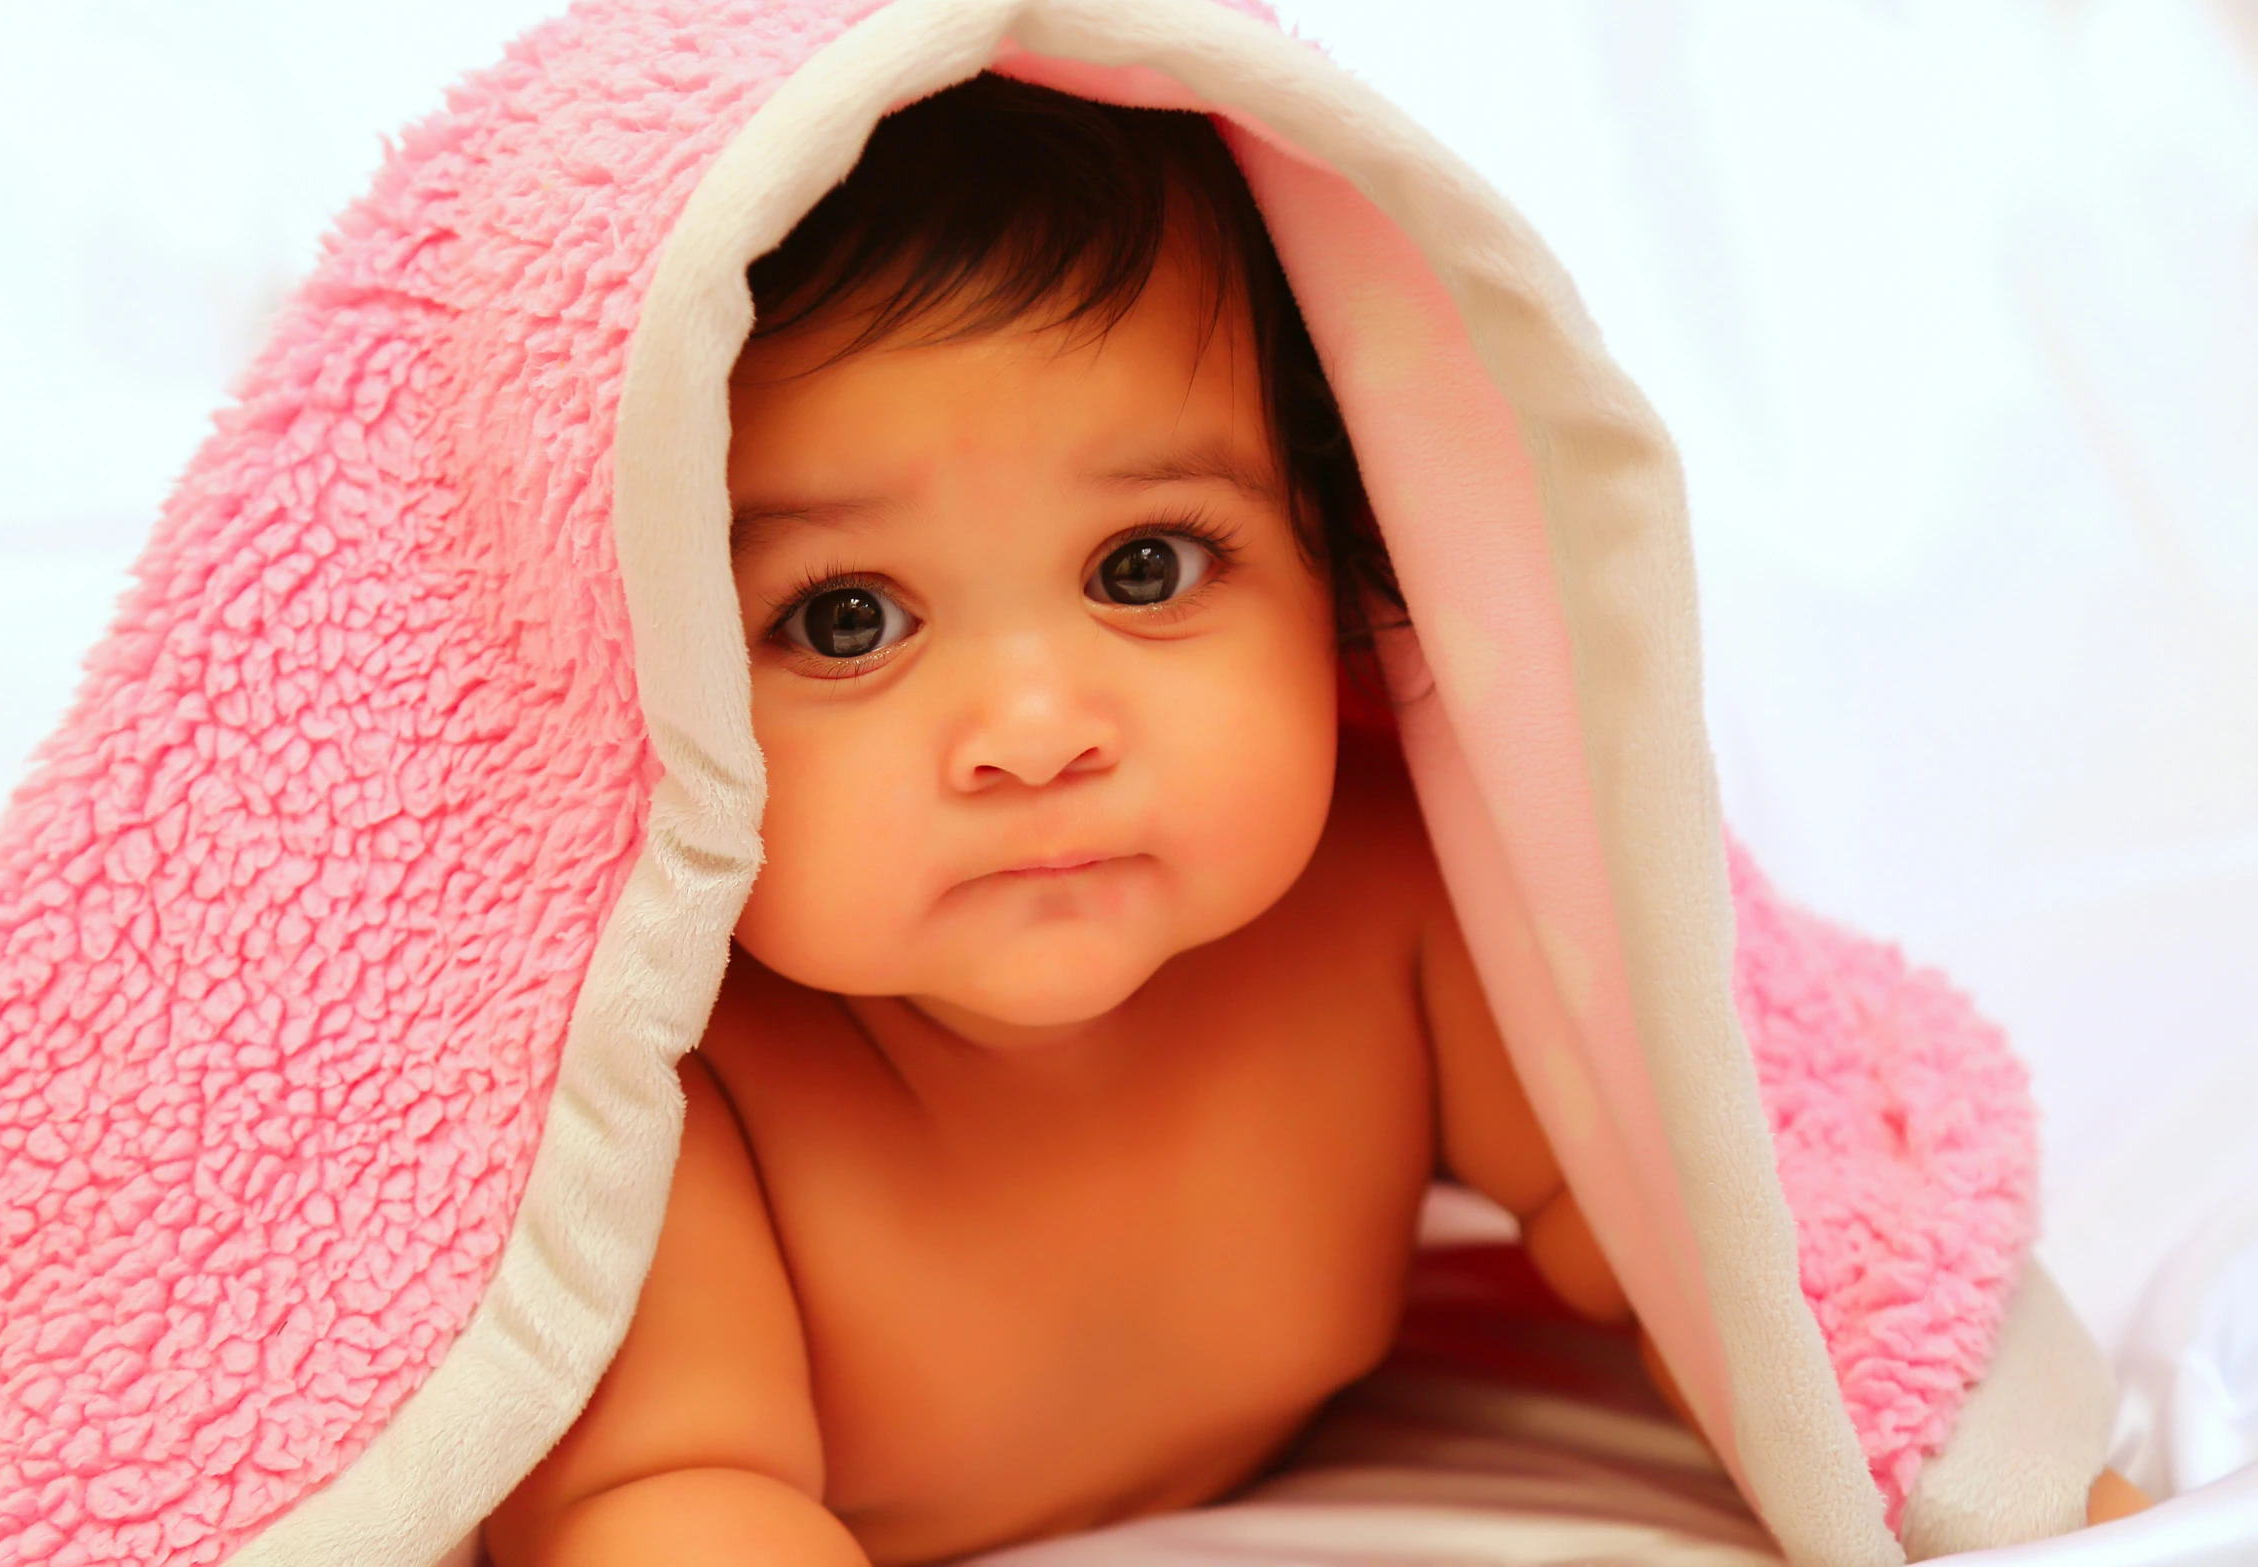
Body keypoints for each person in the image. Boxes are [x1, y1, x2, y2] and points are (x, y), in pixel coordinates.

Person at [483, 75, 2145, 1567]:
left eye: (1144, 566)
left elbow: (1712, 1217)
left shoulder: (1395, 914)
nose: (1036, 729)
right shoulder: (670, 1105)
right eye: (845, 618)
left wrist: (1974, 1481)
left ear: (1347, 572)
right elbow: (664, 1504)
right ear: (634, 677)